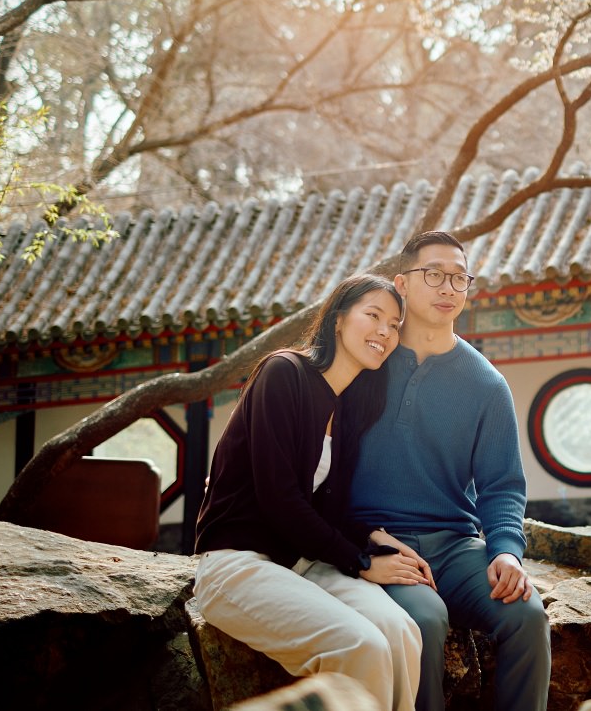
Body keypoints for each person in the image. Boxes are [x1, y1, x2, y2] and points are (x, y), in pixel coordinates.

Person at [193, 274, 431, 711]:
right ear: (338, 318)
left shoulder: (349, 408)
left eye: (395, 325)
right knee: (360, 645)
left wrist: (374, 537)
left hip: (301, 561)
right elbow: (280, 499)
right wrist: (361, 562)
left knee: (400, 630)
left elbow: (326, 509)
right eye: (373, 315)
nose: (385, 331)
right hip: (237, 563)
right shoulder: (283, 373)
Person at [349, 231, 551, 711]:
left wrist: (507, 552)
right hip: (377, 541)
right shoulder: (365, 363)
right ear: (401, 283)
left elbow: (502, 486)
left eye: (459, 278)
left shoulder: (486, 384)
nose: (448, 288)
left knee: (528, 616)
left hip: (455, 546)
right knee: (425, 619)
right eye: (434, 274)